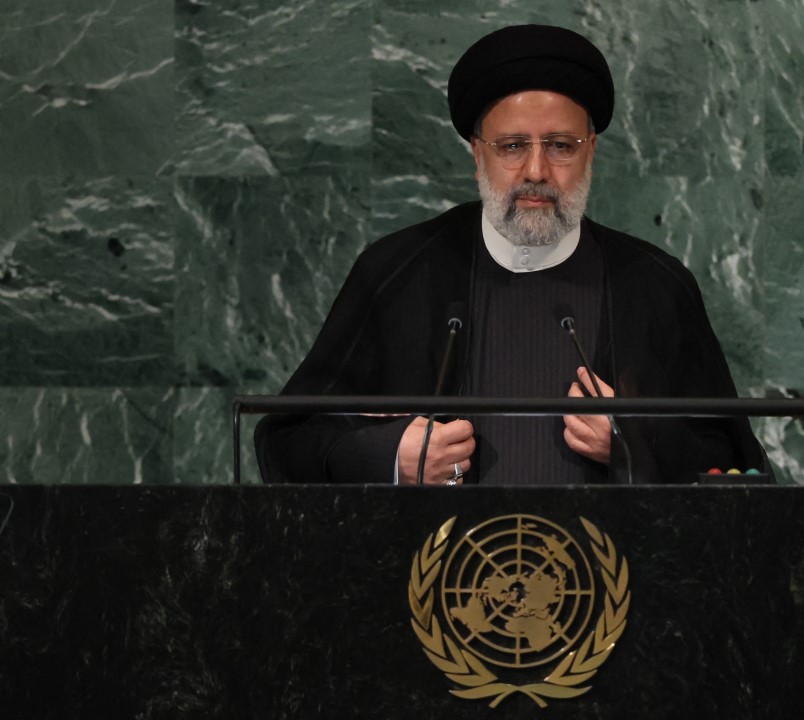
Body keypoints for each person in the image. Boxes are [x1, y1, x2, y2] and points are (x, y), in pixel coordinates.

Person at [255, 24, 769, 486]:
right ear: (477, 151)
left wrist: (636, 442)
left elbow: (734, 466)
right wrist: (388, 457)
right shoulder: (397, 273)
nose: (537, 172)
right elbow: (286, 442)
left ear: (591, 149)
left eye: (561, 146)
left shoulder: (655, 285)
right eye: (513, 146)